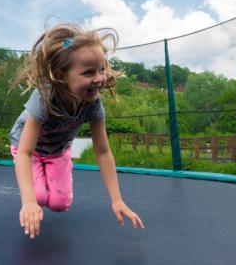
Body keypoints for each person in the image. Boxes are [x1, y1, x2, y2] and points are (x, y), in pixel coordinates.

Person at [8, 23, 144, 239]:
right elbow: (24, 152)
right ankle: (36, 194)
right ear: (62, 75)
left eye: (101, 69)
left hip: (58, 150)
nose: (99, 78)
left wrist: (117, 199)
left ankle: (55, 171)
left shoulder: (93, 104)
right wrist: (29, 202)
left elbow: (103, 152)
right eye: (89, 72)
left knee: (60, 204)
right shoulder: (45, 97)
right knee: (39, 196)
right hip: (28, 150)